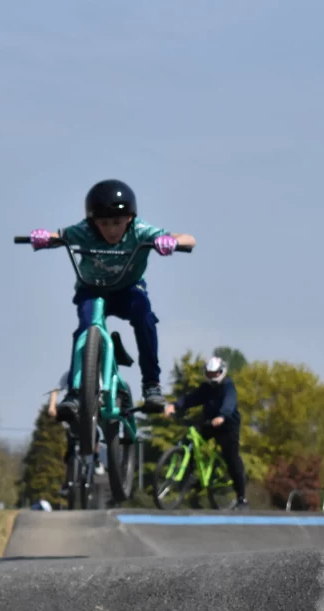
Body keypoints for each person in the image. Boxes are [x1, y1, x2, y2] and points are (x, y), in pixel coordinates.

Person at [29, 179, 196, 420]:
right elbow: (59, 235)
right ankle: (76, 392)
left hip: (129, 290)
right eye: (104, 223)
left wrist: (172, 242)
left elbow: (189, 238)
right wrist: (45, 238)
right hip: (92, 290)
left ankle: (151, 385)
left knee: (144, 317)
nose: (111, 230)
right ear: (92, 221)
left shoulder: (140, 230)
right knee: (85, 329)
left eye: (117, 222)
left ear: (129, 218)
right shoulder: (84, 232)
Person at [162, 356, 249, 510]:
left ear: (221, 372)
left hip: (227, 425)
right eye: (209, 374)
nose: (212, 377)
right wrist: (175, 406)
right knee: (188, 441)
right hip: (209, 422)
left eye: (215, 374)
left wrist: (222, 416)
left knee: (232, 459)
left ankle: (241, 498)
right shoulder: (206, 388)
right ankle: (189, 475)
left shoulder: (228, 386)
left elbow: (230, 402)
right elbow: (192, 398)